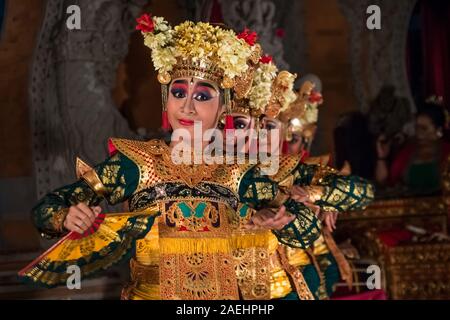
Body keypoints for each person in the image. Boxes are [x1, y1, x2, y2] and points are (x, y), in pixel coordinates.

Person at [20, 14, 374, 300]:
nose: (187, 105)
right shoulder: (138, 162)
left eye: (202, 96)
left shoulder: (236, 170)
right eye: (178, 92)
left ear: (223, 108)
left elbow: (300, 221)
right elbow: (48, 207)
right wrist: (67, 216)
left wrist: (285, 216)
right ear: (166, 100)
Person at [376, 100, 450, 195]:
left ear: (439, 130)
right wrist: (381, 156)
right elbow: (383, 182)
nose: (419, 134)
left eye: (424, 128)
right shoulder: (407, 153)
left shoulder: (447, 153)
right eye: (417, 128)